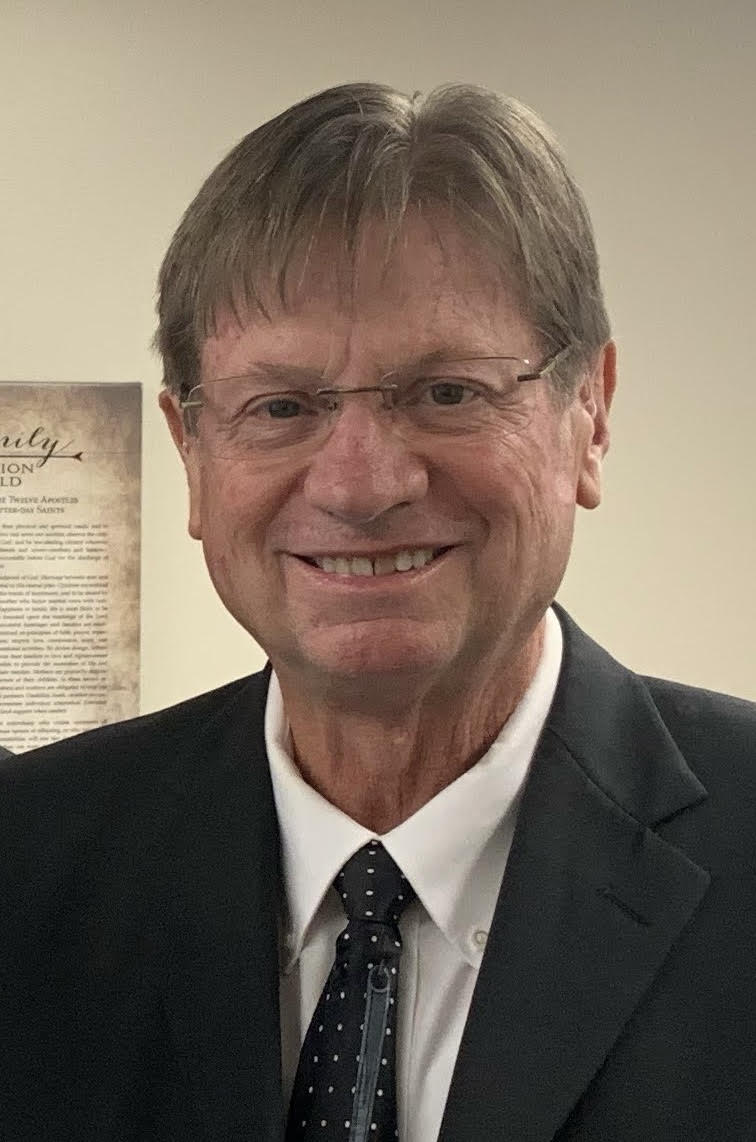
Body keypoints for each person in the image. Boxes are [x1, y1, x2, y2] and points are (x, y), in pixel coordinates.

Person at [2, 83, 754, 1142]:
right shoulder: (28, 861)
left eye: (447, 391)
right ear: (192, 454)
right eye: (281, 406)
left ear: (590, 413)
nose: (361, 484)